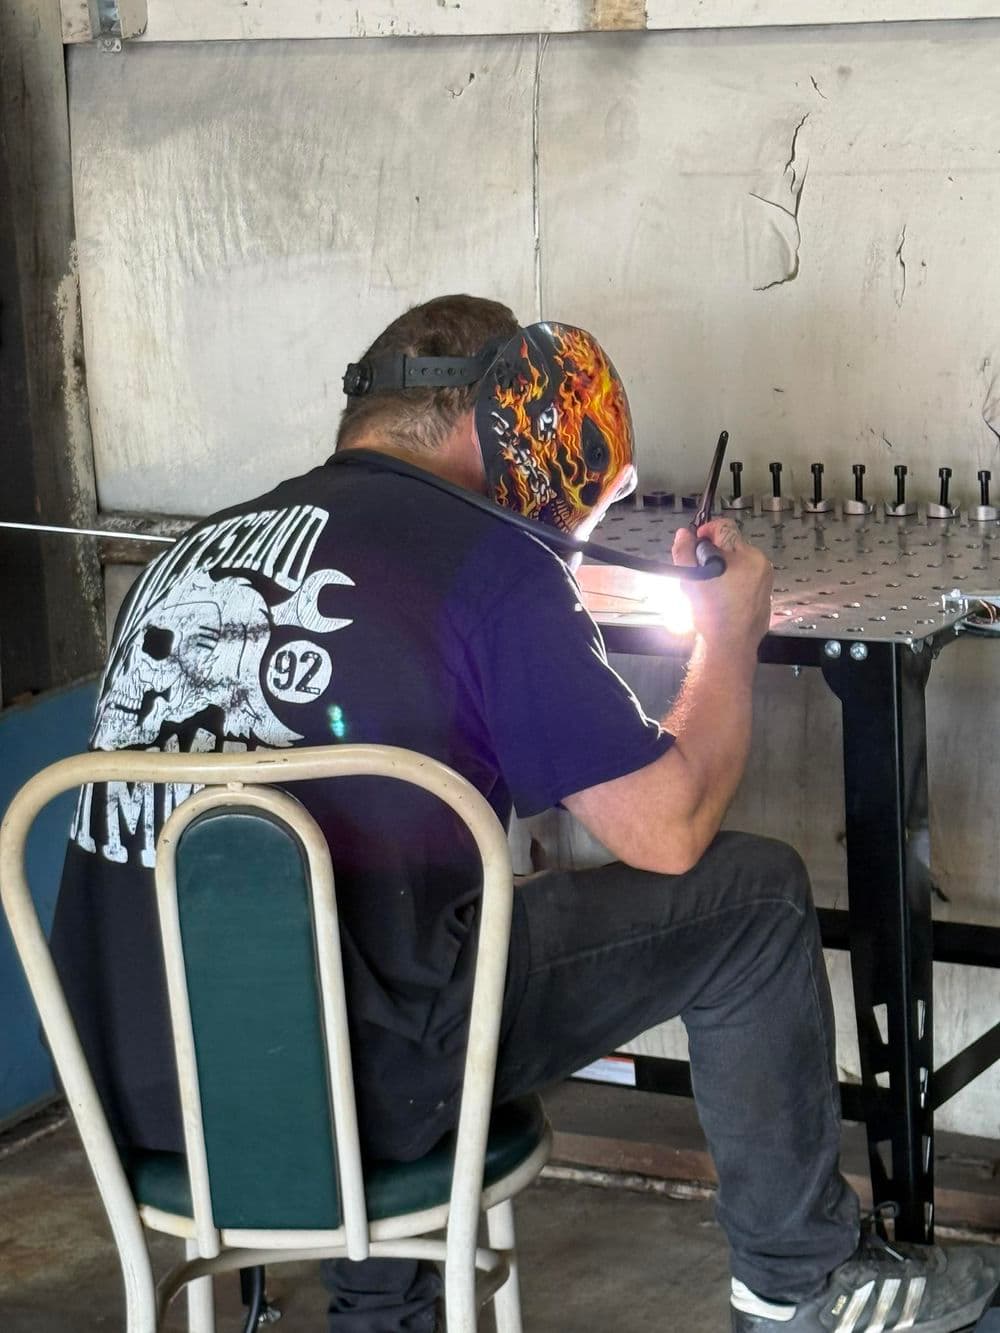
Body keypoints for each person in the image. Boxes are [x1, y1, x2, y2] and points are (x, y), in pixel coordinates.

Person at [51, 294, 998, 1333]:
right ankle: (802, 1278)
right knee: (752, 896)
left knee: (405, 926)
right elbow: (666, 830)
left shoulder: (191, 555)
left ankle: (385, 1309)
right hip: (369, 1082)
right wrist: (729, 629)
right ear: (501, 418)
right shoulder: (489, 565)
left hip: (141, 1085)